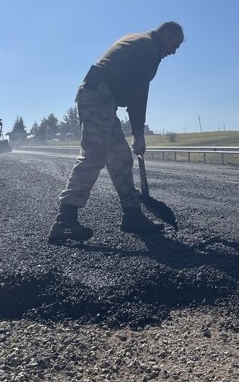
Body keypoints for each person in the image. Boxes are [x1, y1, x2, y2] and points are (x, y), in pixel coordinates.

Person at [49, 22, 185, 243]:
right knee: (94, 154)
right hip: (98, 95)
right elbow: (138, 97)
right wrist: (139, 135)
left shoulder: (142, 42)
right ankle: (65, 219)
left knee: (120, 156)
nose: (174, 51)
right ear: (165, 34)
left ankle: (132, 215)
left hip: (102, 97)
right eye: (174, 43)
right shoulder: (149, 49)